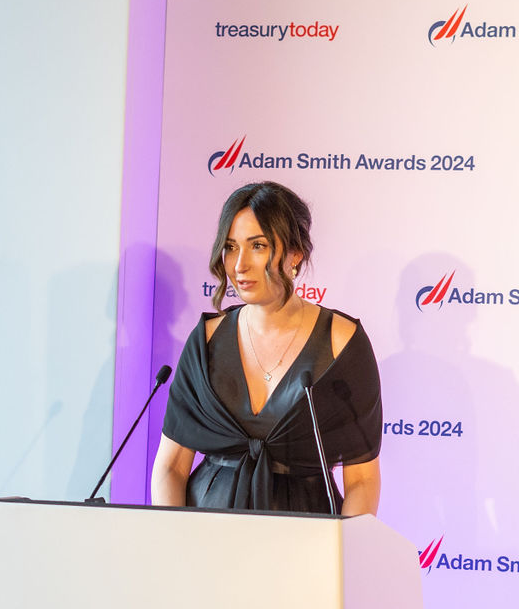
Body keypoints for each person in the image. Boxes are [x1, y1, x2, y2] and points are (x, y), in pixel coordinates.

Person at [151, 182, 382, 515]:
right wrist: (173, 535)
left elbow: (362, 480)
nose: (239, 265)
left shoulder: (342, 343)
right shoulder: (205, 341)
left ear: (295, 253)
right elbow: (171, 466)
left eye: (257, 246)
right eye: (231, 247)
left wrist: (343, 544)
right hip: (206, 529)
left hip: (306, 533)